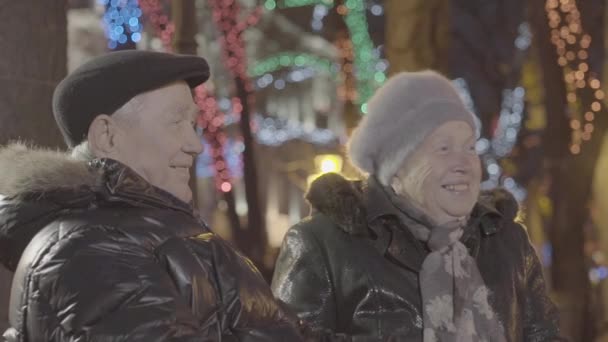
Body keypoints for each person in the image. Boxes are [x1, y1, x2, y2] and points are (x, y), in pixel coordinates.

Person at [0, 50, 303, 341]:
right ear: (107, 136)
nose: (195, 145)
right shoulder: (94, 250)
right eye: (175, 122)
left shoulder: (141, 234)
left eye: (193, 125)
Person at [271, 70, 563, 341]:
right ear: (396, 168)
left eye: (469, 147)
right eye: (443, 148)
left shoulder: (505, 241)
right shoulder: (321, 245)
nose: (463, 163)